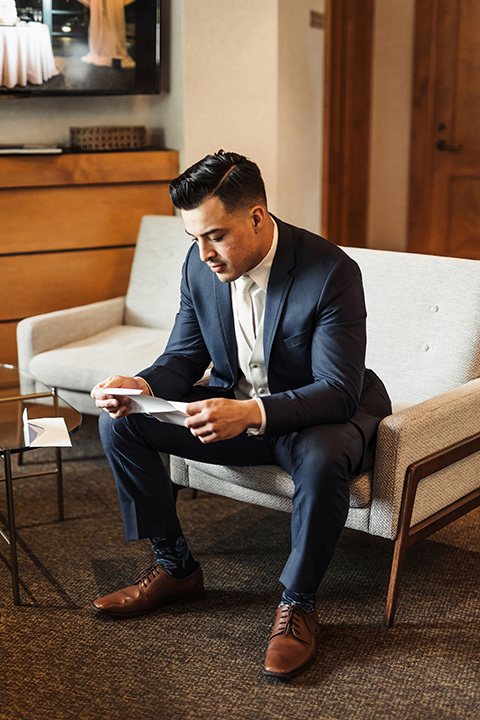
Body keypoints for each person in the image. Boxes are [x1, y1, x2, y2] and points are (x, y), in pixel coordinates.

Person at [90, 150, 391, 681]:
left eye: (215, 236)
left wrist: (250, 412)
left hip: (313, 419)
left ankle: (297, 604)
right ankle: (175, 567)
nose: (204, 253)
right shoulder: (199, 266)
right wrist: (140, 386)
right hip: (235, 407)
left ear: (256, 217)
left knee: (322, 459)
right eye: (194, 239)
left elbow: (339, 392)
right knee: (119, 422)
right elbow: (183, 358)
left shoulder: (330, 272)